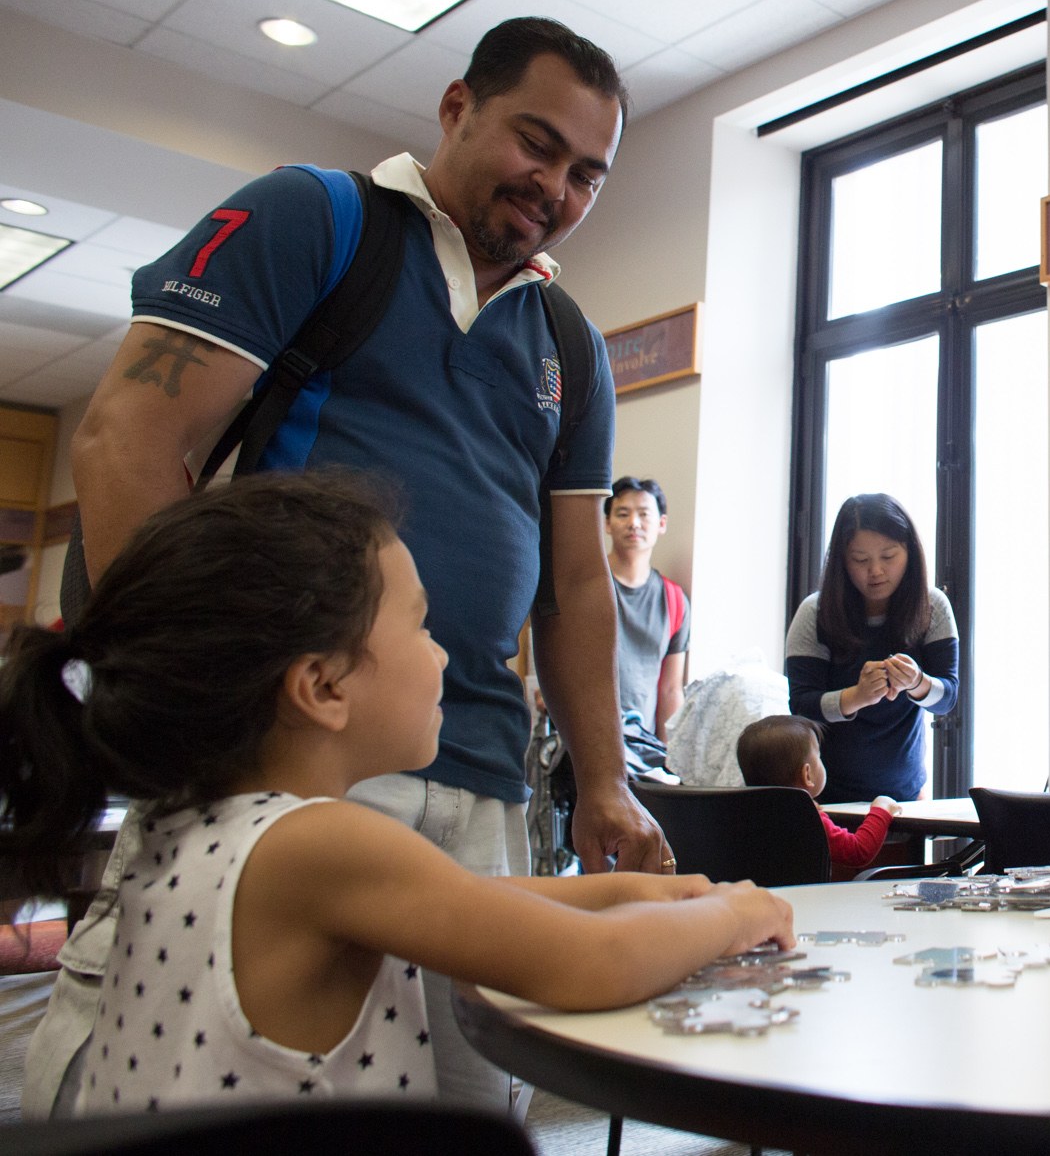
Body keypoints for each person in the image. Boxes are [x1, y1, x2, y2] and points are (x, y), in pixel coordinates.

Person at [34, 17, 664, 1117]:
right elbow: (126, 438)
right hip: (282, 761)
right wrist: (212, 718)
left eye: (585, 174)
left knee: (464, 1114)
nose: (553, 185)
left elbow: (572, 589)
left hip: (479, 774)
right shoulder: (316, 219)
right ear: (457, 106)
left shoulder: (568, 344)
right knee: (205, 1101)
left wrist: (604, 779)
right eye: (534, 141)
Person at [0, 474, 793, 1114]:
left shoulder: (196, 824)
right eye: (420, 626)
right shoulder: (317, 843)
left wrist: (653, 890)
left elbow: (484, 900)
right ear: (321, 685)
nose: (445, 655)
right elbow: (591, 963)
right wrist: (729, 914)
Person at [784, 494, 958, 803]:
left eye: (889, 556)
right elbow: (801, 706)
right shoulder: (816, 612)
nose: (875, 571)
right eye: (860, 560)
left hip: (904, 797)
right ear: (841, 560)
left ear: (910, 552)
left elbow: (947, 698)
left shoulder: (932, 606)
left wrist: (917, 682)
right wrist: (856, 696)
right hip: (829, 798)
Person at [605, 475, 691, 779]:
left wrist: (672, 761)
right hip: (590, 742)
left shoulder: (674, 599)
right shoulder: (589, 588)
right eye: (623, 513)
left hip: (644, 751)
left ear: (661, 523)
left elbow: (670, 688)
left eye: (644, 514)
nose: (634, 523)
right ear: (606, 523)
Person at [735, 717, 903, 868]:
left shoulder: (745, 813)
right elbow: (858, 851)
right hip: (806, 899)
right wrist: (881, 810)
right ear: (807, 774)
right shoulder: (806, 816)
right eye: (819, 756)